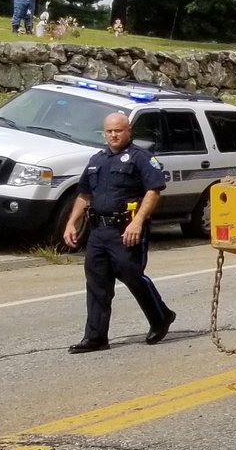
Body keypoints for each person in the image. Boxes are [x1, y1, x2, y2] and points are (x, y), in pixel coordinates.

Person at [62, 113, 175, 352]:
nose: (113, 135)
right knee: (97, 283)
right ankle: (95, 337)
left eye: (118, 131)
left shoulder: (140, 158)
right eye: (109, 131)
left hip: (127, 229)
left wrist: (138, 223)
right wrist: (72, 222)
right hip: (98, 232)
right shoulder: (96, 160)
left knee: (132, 274)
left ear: (128, 131)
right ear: (104, 133)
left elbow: (154, 191)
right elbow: (83, 195)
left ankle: (160, 316)